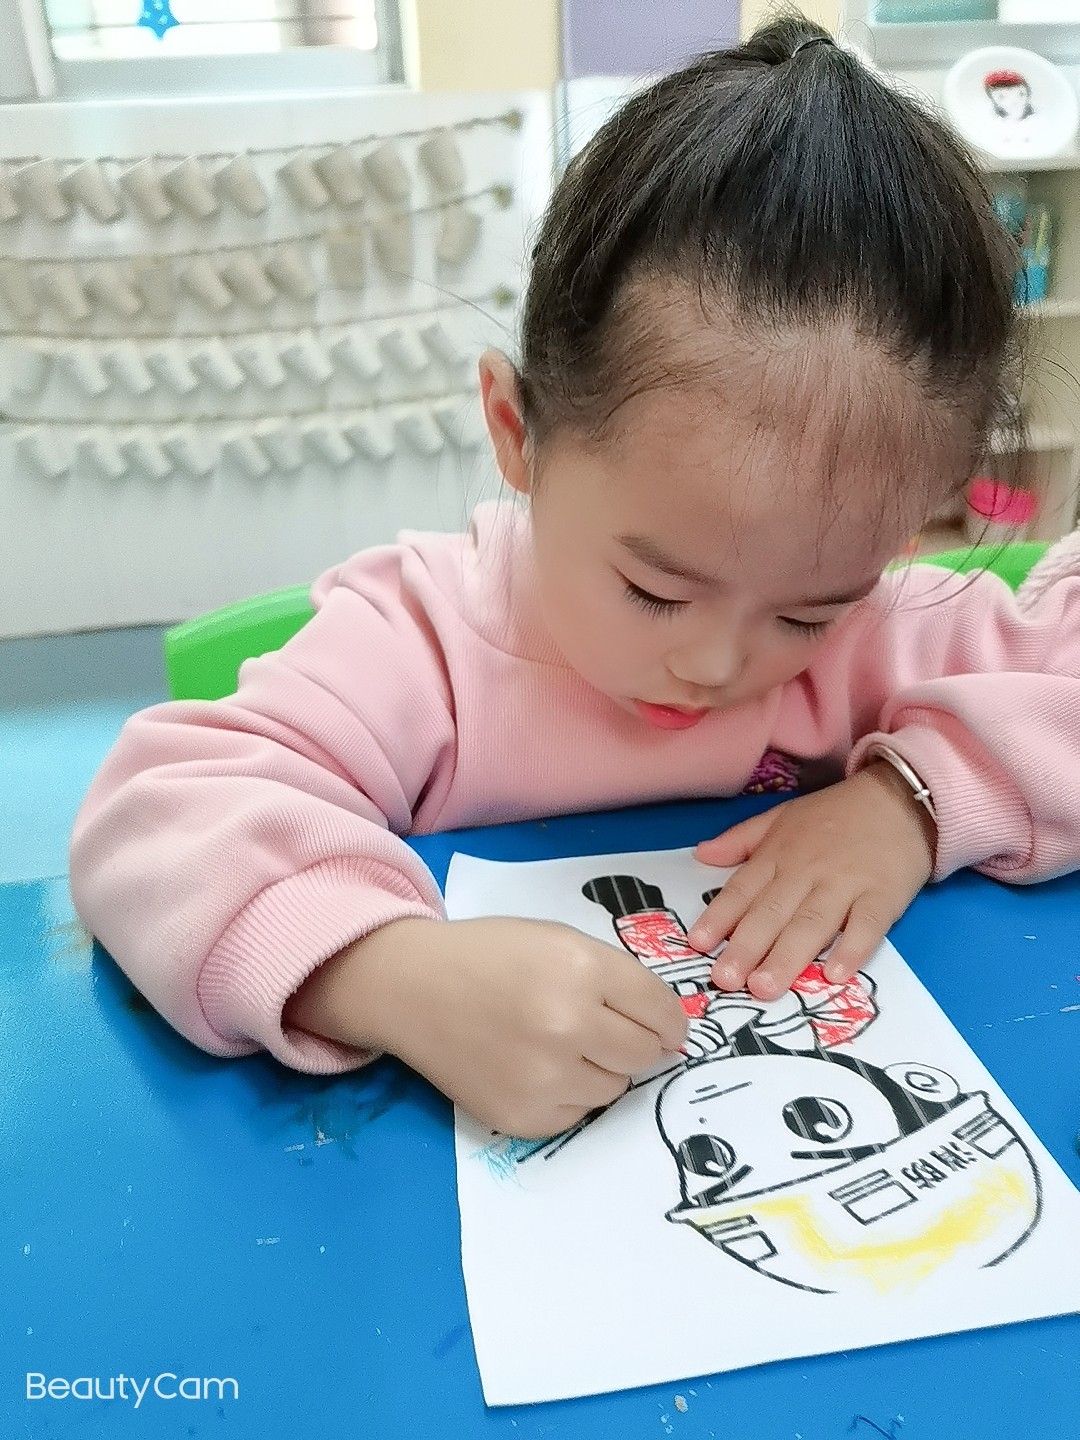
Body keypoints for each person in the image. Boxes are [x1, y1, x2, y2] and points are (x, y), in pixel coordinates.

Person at [70, 16, 1080, 1141]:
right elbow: (154, 819)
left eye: (809, 610)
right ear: (520, 434)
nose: (715, 663)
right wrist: (386, 972)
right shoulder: (424, 644)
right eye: (656, 591)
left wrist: (913, 803)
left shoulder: (892, 632)